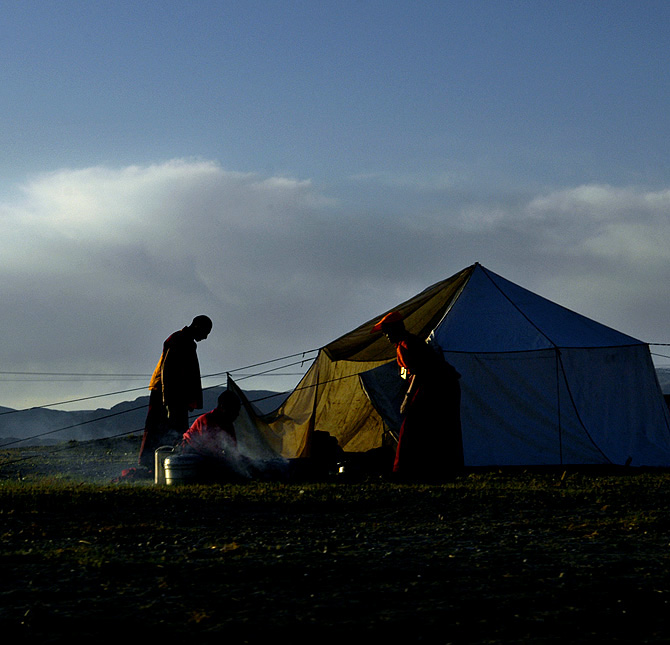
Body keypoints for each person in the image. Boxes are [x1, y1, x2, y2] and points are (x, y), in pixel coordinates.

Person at [372, 311, 463, 480]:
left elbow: (420, 371)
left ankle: (403, 471)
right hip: (440, 386)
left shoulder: (408, 344)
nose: (386, 336)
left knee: (413, 427)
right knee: (432, 428)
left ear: (396, 328)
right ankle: (432, 471)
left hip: (438, 387)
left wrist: (407, 398)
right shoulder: (404, 344)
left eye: (387, 331)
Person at [138, 315, 212, 470]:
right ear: (198, 327)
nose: (205, 338)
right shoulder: (178, 339)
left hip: (178, 394)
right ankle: (153, 464)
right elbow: (167, 370)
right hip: (165, 392)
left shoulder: (188, 342)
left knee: (177, 428)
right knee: (159, 427)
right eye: (206, 333)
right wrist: (167, 401)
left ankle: (172, 462)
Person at [180, 389, 251, 481]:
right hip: (192, 454)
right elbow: (210, 451)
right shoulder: (207, 420)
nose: (237, 414)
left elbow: (232, 450)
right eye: (234, 410)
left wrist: (245, 460)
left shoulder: (228, 424)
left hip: (210, 456)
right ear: (223, 407)